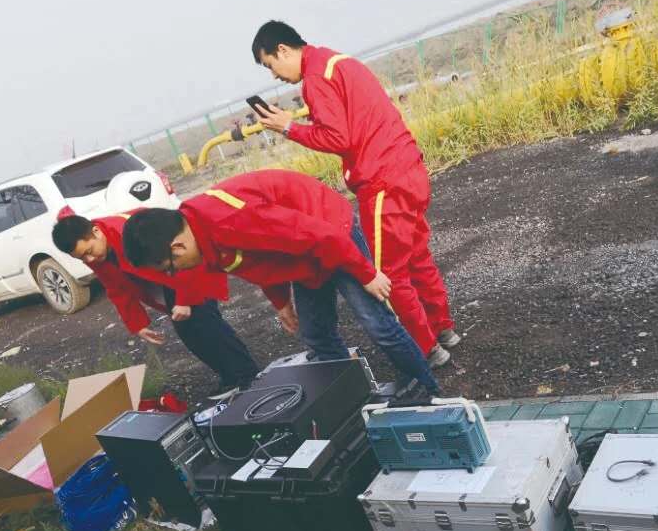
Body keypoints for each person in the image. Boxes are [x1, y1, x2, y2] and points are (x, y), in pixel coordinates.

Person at [120, 169, 439, 398]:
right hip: (303, 249)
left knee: (376, 322)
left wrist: (366, 274)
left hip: (330, 228)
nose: (174, 276)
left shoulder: (231, 221)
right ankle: (355, 394)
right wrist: (282, 303)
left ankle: (426, 390)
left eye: (169, 269)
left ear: (177, 247)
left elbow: (320, 236)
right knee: (316, 334)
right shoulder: (202, 234)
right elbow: (263, 260)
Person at [250, 21, 458, 368]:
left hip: (382, 181)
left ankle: (427, 350)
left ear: (283, 50)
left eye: (271, 65)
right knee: (417, 257)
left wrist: (288, 127)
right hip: (408, 167)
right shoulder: (339, 61)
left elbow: (338, 138)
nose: (274, 75)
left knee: (388, 273)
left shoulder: (316, 78)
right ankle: (443, 329)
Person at [53, 210, 259, 396]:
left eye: (89, 251)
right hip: (168, 280)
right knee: (189, 333)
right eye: (82, 258)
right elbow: (117, 289)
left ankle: (249, 375)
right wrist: (138, 324)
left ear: (96, 232)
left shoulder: (130, 231)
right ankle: (230, 378)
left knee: (207, 323)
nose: (89, 260)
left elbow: (184, 255)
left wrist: (185, 300)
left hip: (188, 268)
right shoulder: (98, 256)